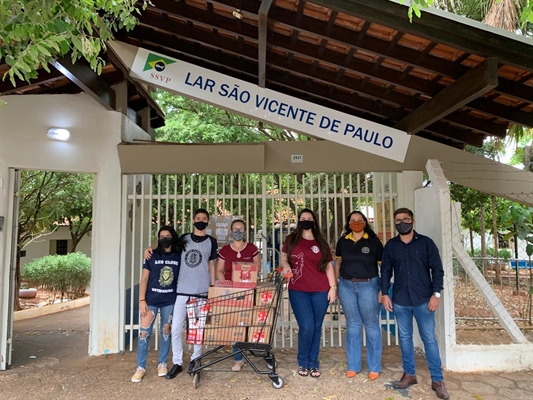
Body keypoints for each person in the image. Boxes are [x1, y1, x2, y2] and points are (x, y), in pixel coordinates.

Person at [381, 208, 449, 400]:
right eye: (398, 220)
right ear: (394, 223)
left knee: (429, 340)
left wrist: (436, 294)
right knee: (405, 339)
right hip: (401, 300)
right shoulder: (391, 246)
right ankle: (409, 374)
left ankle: (437, 380)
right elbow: (385, 271)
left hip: (424, 300)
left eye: (406, 219)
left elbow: (437, 270)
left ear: (413, 222)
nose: (402, 222)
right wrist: (385, 294)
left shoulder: (426, 243)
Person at [144, 208, 218, 379]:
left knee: (197, 329)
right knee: (176, 329)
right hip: (182, 291)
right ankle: (177, 362)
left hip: (202, 292)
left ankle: (196, 359)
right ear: (193, 220)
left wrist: (212, 286)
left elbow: (212, 264)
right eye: (198, 217)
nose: (200, 220)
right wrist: (150, 248)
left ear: (208, 221)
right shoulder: (184, 238)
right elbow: (166, 245)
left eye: (204, 218)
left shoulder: (212, 242)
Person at [280, 208, 337, 378]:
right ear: (299, 220)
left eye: (309, 218)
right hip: (298, 290)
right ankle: (302, 361)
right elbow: (283, 258)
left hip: (320, 290)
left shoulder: (321, 242)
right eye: (303, 218)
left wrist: (333, 288)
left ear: (314, 221)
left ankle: (313, 363)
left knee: (317, 327)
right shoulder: (291, 240)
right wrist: (286, 266)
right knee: (306, 327)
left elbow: (328, 266)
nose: (306, 220)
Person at [132, 225, 185, 383]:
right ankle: (140, 367)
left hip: (169, 300)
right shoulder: (151, 255)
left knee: (166, 332)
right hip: (151, 301)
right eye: (161, 236)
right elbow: (144, 279)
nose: (164, 239)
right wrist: (141, 300)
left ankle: (162, 363)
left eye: (167, 236)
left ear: (173, 237)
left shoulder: (178, 256)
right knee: (144, 334)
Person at [335, 211, 383, 380]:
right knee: (353, 325)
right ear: (348, 224)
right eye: (353, 220)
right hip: (347, 286)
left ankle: (374, 366)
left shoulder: (374, 241)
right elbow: (338, 263)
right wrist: (335, 285)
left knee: (371, 325)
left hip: (369, 286)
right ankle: (353, 365)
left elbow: (383, 266)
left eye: (359, 220)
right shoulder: (343, 241)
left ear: (365, 222)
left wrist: (382, 289)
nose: (356, 222)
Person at [216, 219, 261, 371]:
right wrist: (226, 285)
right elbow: (219, 270)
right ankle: (238, 358)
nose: (238, 232)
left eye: (241, 229)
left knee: (248, 322)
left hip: (249, 291)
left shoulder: (252, 248)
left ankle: (249, 349)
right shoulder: (225, 251)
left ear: (245, 231)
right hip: (232, 293)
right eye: (235, 229)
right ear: (230, 231)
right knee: (236, 323)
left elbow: (257, 267)